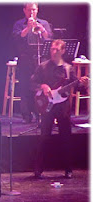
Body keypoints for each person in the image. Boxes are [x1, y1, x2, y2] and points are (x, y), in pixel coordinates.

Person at [31, 39, 88, 178]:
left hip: (63, 106)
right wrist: (42, 86)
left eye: (56, 49)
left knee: (66, 136)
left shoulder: (68, 69)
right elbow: (32, 83)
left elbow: (76, 85)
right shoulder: (43, 66)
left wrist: (83, 83)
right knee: (44, 136)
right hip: (47, 105)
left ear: (63, 51)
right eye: (52, 49)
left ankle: (68, 169)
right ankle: (38, 169)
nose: (53, 52)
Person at [13, 2, 53, 123]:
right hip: (25, 60)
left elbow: (50, 39)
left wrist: (43, 30)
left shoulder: (44, 23)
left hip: (42, 60)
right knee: (25, 87)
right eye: (29, 10)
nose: (32, 12)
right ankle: (27, 116)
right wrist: (27, 28)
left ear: (37, 10)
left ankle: (42, 113)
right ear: (24, 10)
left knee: (41, 87)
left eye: (34, 10)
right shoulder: (19, 24)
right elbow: (15, 38)